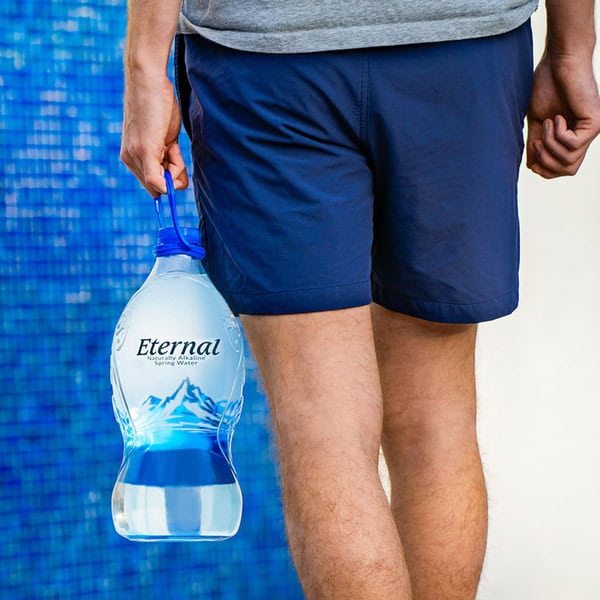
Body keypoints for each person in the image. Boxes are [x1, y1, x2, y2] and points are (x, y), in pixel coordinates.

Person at [120, 1, 600, 598]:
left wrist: (145, 68)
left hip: (270, 60)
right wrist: (572, 47)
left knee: (323, 426)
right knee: (436, 419)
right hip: (461, 49)